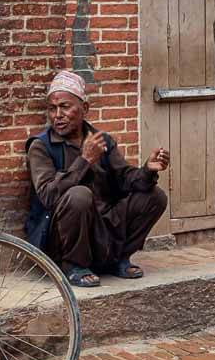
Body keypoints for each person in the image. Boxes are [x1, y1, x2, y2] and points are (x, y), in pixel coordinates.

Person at [26, 70, 169, 287]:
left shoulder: (101, 141)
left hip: (103, 226)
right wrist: (84, 160)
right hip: (60, 238)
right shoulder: (41, 146)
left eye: (65, 107)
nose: (57, 115)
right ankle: (73, 266)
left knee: (155, 196)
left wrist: (147, 170)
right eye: (52, 109)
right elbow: (47, 196)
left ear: (84, 109)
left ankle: (117, 259)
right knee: (79, 195)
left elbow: (125, 180)